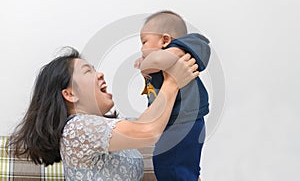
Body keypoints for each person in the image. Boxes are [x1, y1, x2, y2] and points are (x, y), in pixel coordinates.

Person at [8, 47, 199, 181]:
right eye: (87, 71)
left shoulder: (106, 129)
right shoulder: (77, 128)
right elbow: (148, 131)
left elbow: (148, 122)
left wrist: (154, 79)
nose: (100, 74)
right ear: (70, 94)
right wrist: (173, 81)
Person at [135, 10, 211, 181]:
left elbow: (157, 62)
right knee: (165, 164)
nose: (141, 49)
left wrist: (145, 63)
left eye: (144, 42)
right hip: (170, 122)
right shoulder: (162, 55)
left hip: (184, 121)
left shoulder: (189, 44)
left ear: (165, 40)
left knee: (172, 167)